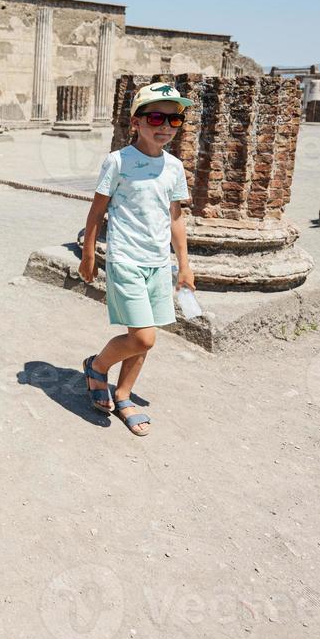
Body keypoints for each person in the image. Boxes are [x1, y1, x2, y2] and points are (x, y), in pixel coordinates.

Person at [77, 83, 195, 437]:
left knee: (145, 334)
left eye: (174, 119)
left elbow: (175, 218)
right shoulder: (118, 161)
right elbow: (97, 211)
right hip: (126, 258)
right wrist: (88, 253)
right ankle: (97, 367)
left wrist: (184, 265)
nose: (165, 126)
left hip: (158, 263)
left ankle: (123, 394)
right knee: (144, 338)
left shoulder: (174, 167)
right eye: (156, 116)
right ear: (136, 122)